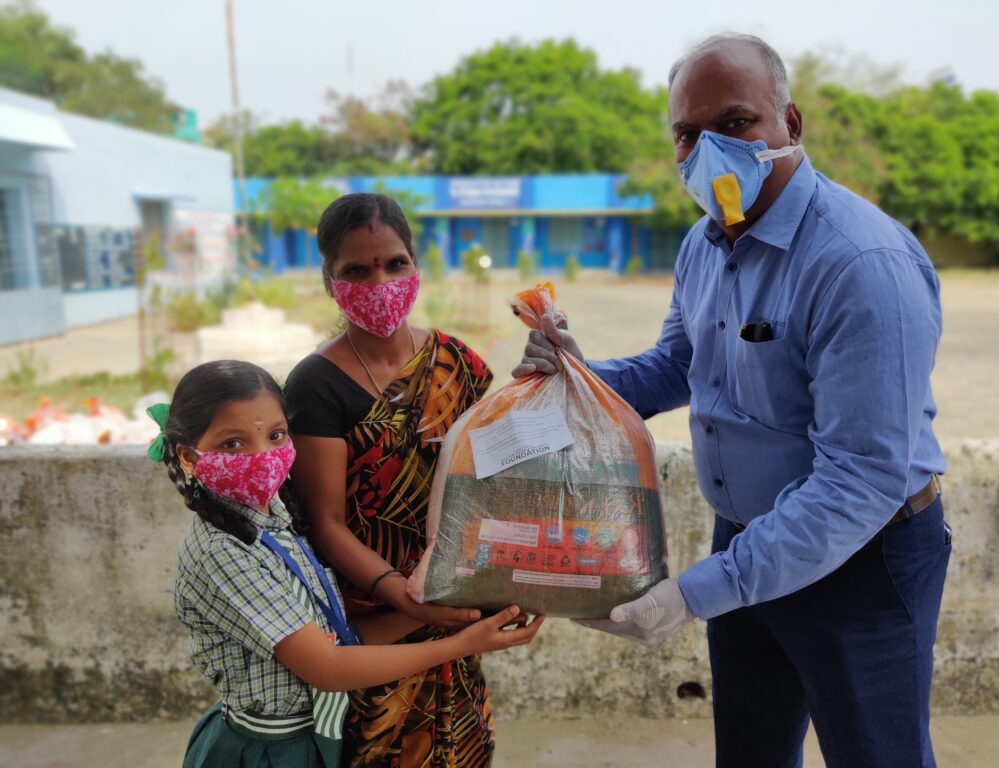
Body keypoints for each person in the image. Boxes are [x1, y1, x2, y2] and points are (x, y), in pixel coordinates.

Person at [515, 33, 950, 768]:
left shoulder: (858, 265)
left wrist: (695, 593)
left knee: (877, 756)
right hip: (749, 540)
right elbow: (680, 365)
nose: (708, 149)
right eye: (688, 133)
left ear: (791, 125)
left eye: (737, 122)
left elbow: (861, 478)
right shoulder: (705, 243)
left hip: (861, 557)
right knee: (750, 752)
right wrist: (578, 374)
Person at [151, 360, 542, 767]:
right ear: (188, 456)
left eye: (276, 435)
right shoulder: (223, 552)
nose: (262, 455)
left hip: (313, 739)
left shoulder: (277, 519)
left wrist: (442, 614)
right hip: (266, 753)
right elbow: (327, 667)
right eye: (232, 443)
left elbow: (340, 639)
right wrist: (460, 645)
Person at [284, 193, 501, 767]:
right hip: (373, 622)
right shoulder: (315, 384)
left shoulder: (460, 365)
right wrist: (404, 596)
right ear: (330, 281)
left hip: (456, 603)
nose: (379, 281)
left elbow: (493, 488)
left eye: (394, 263)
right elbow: (327, 524)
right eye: (357, 270)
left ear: (415, 266)